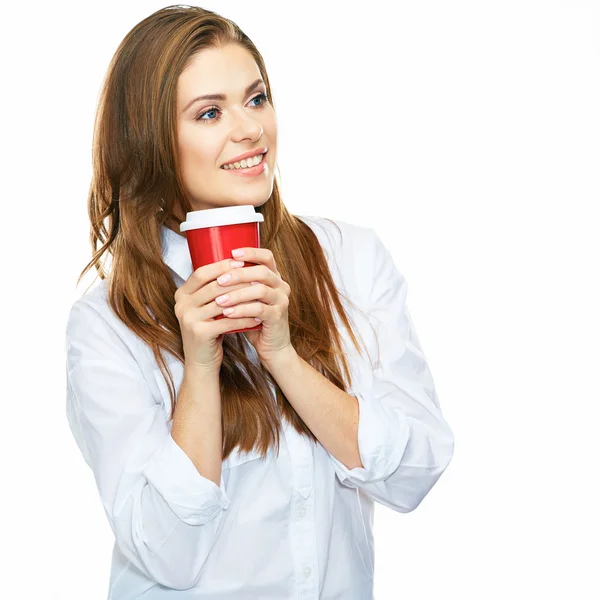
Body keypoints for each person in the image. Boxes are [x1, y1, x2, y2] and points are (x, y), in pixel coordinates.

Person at [64, 5, 455, 598]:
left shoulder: (350, 258)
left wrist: (283, 356)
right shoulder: (108, 324)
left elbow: (415, 473)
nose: (250, 129)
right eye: (210, 112)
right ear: (151, 143)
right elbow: (165, 552)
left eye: (257, 98)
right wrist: (199, 366)